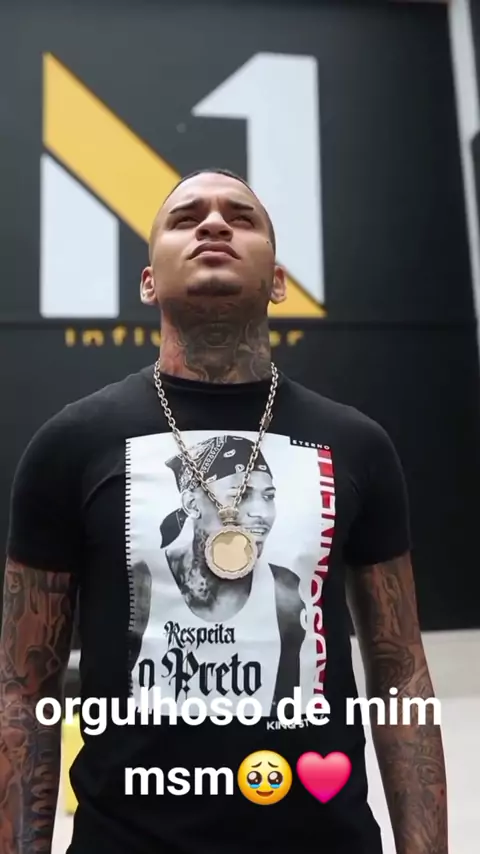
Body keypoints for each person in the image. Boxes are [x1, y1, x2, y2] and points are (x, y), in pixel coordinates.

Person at [0, 168, 448, 854]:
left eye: (240, 217)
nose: (213, 224)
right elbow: (23, 689)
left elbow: (401, 674)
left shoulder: (357, 445)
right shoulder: (72, 444)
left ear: (278, 281)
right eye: (186, 219)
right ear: (148, 282)